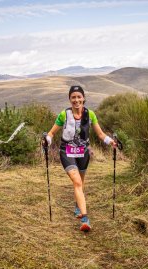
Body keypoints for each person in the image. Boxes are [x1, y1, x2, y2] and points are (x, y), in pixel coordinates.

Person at [44, 85, 116, 232]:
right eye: (73, 97)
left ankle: (77, 206)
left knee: (80, 184)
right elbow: (51, 133)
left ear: (83, 98)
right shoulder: (64, 115)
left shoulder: (91, 115)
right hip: (67, 152)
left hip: (83, 152)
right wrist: (46, 140)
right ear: (70, 100)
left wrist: (112, 142)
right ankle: (85, 218)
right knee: (77, 182)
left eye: (79, 97)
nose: (76, 100)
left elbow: (101, 135)